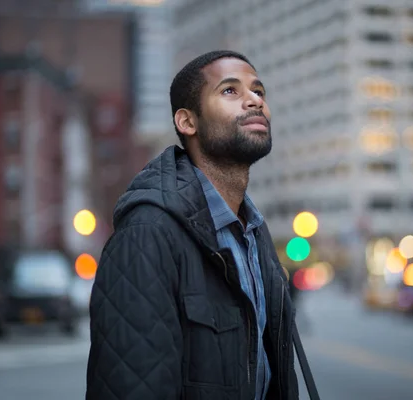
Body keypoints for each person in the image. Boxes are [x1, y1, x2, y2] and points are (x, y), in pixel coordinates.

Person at [86, 50, 300, 400]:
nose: (254, 101)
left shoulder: (253, 233)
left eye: (259, 91)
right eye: (230, 91)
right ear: (188, 122)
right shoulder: (147, 234)